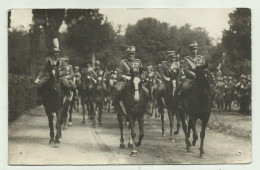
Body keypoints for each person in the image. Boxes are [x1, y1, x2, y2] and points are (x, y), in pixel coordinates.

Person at [34, 38, 72, 105]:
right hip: (48, 76)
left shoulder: (62, 61)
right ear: (52, 53)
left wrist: (60, 73)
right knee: (39, 84)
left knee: (67, 84)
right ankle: (39, 98)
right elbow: (43, 70)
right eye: (55, 52)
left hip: (59, 76)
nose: (56, 54)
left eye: (57, 52)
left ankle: (68, 97)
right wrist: (38, 78)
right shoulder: (48, 60)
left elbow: (65, 70)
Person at [174, 41, 209, 108]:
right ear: (190, 50)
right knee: (184, 87)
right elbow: (185, 69)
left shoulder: (201, 58)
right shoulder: (186, 59)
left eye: (195, 49)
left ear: (197, 49)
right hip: (190, 78)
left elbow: (205, 68)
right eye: (193, 49)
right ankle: (181, 103)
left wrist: (203, 74)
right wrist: (193, 74)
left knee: (208, 86)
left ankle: (210, 101)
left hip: (200, 78)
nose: (194, 51)